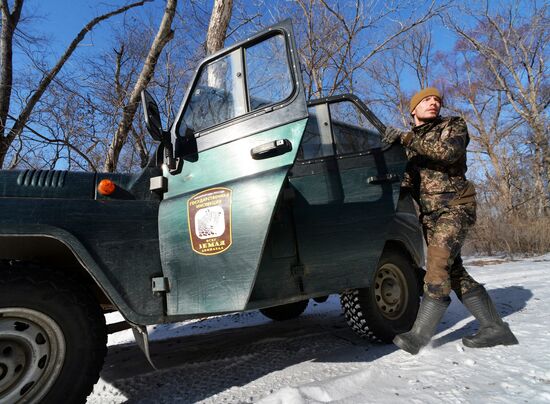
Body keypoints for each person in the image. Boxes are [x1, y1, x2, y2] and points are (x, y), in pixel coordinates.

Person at [382, 87, 518, 355]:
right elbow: (408, 183)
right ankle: (495, 328)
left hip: (455, 206)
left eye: (437, 100)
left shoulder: (452, 125)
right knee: (455, 274)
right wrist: (387, 161)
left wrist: (406, 138)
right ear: (413, 109)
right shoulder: (410, 144)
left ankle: (418, 337)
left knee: (437, 267)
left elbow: (448, 153)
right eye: (426, 100)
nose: (433, 103)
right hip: (430, 216)